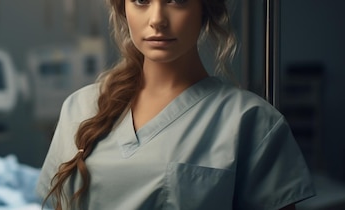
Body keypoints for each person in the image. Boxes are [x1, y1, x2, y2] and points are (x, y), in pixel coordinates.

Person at [35, 0, 316, 209]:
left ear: (205, 9)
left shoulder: (250, 121)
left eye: (177, 0)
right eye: (142, 1)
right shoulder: (81, 108)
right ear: (123, 9)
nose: (157, 19)